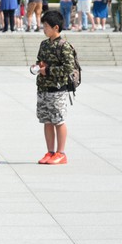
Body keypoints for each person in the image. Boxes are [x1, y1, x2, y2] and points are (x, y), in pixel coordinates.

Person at [34, 10, 75, 165]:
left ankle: (61, 153)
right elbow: (39, 61)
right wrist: (37, 67)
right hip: (43, 89)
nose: (44, 28)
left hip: (57, 90)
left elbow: (68, 68)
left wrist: (49, 70)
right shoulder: (44, 44)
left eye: (46, 26)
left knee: (58, 120)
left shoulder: (64, 46)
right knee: (47, 120)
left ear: (56, 27)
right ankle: (50, 152)